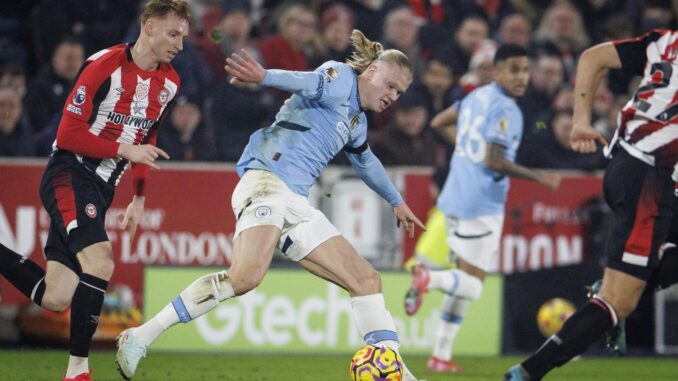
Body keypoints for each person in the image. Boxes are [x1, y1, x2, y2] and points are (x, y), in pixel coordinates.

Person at [115, 29, 427, 381]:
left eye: (398, 93)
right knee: (245, 277)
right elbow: (305, 82)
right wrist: (264, 77)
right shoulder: (340, 78)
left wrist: (396, 201)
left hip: (295, 201)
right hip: (266, 181)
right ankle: (140, 335)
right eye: (390, 86)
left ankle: (401, 376)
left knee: (367, 281)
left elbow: (366, 161)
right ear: (371, 71)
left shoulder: (357, 120)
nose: (392, 96)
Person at [0, 1, 189, 380]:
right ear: (148, 29)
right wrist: (124, 149)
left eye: (183, 36)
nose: (180, 44)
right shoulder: (104, 65)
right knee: (101, 261)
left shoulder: (170, 83)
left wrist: (138, 197)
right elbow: (67, 134)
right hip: (69, 173)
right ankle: (77, 373)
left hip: (103, 188)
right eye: (173, 34)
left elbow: (146, 137)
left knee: (55, 297)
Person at [503, 29, 678, 381]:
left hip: (630, 163)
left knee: (629, 286)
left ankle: (612, 292)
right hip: (649, 179)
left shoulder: (666, 40)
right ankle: (526, 373)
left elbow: (592, 57)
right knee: (620, 301)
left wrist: (581, 120)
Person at [403, 44, 562, 374]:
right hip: (481, 204)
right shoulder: (507, 110)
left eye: (525, 70)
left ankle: (440, 355)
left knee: (463, 280)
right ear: (498, 69)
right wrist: (539, 178)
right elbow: (495, 161)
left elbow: (438, 121)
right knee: (473, 284)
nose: (521, 77)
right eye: (514, 69)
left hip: (453, 199)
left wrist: (465, 148)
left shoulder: (476, 96)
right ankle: (428, 278)